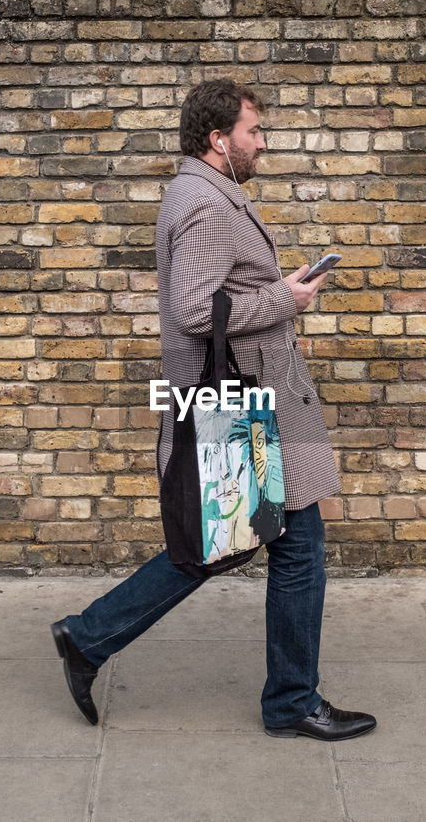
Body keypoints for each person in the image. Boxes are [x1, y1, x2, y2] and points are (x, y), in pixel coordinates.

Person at [50, 79, 376, 742]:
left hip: (251, 398)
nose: (263, 142)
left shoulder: (202, 193)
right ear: (218, 139)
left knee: (240, 542)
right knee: (263, 546)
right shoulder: (208, 205)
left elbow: (218, 298)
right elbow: (195, 310)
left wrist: (277, 298)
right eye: (254, 131)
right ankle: (287, 700)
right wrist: (287, 299)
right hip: (248, 406)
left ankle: (90, 638)